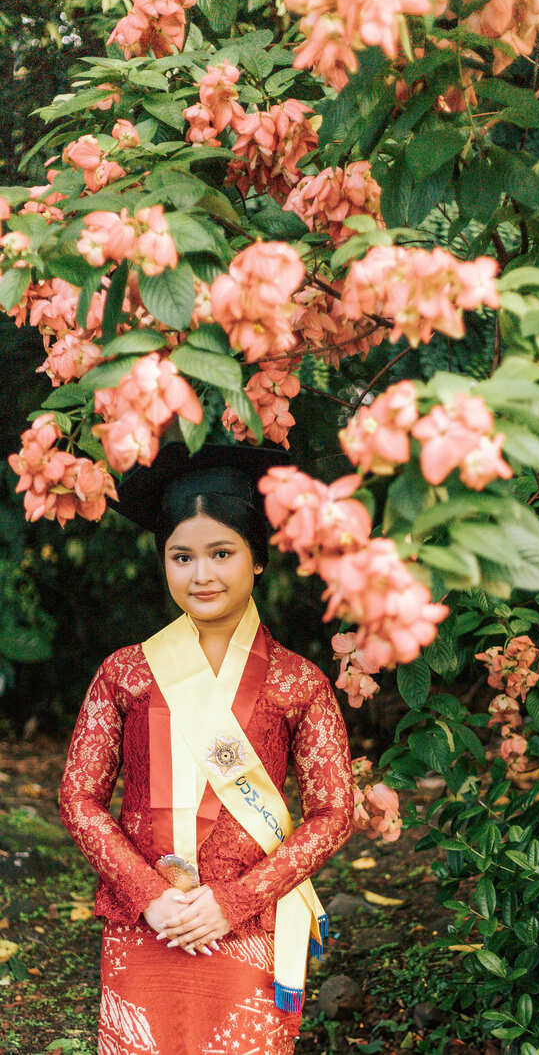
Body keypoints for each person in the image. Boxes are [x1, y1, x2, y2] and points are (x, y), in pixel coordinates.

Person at [59, 442, 355, 1055]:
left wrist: (237, 899)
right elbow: (79, 797)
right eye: (182, 556)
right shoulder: (125, 673)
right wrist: (148, 896)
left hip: (247, 924)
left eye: (222, 553)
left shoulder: (297, 682)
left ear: (258, 559)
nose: (201, 575)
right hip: (147, 924)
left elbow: (334, 812)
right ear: (163, 562)